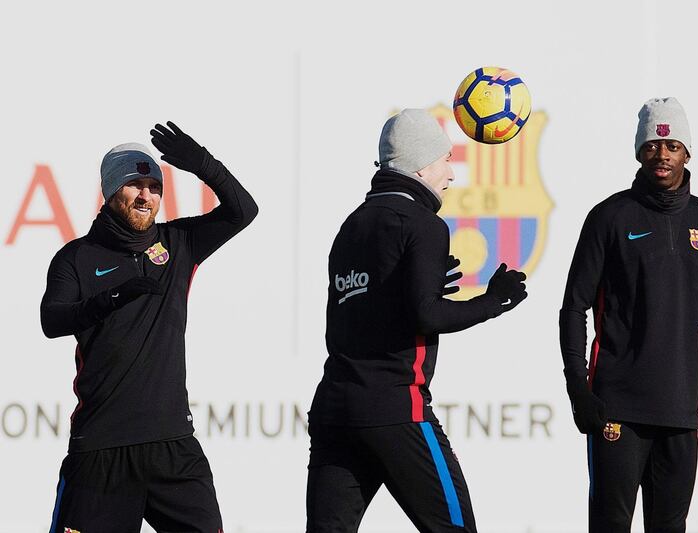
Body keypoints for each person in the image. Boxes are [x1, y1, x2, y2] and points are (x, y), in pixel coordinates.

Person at [559, 97, 698, 532]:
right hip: (615, 408)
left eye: (672, 145)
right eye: (653, 146)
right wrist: (577, 387)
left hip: (678, 411)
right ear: (639, 152)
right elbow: (573, 307)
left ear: (687, 152)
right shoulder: (609, 216)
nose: (662, 155)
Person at [306, 108, 528, 532]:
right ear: (422, 164)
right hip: (395, 408)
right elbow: (427, 314)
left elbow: (363, 310)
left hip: (336, 409)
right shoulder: (423, 223)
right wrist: (492, 301)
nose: (451, 174)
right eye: (446, 160)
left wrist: (410, 288)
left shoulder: (351, 224)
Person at [42, 122, 258, 532]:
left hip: (172, 447)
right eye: (134, 185)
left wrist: (205, 165)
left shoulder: (180, 243)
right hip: (102, 450)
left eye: (154, 186)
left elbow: (242, 211)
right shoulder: (76, 258)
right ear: (109, 192)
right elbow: (51, 320)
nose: (146, 195)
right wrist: (111, 299)